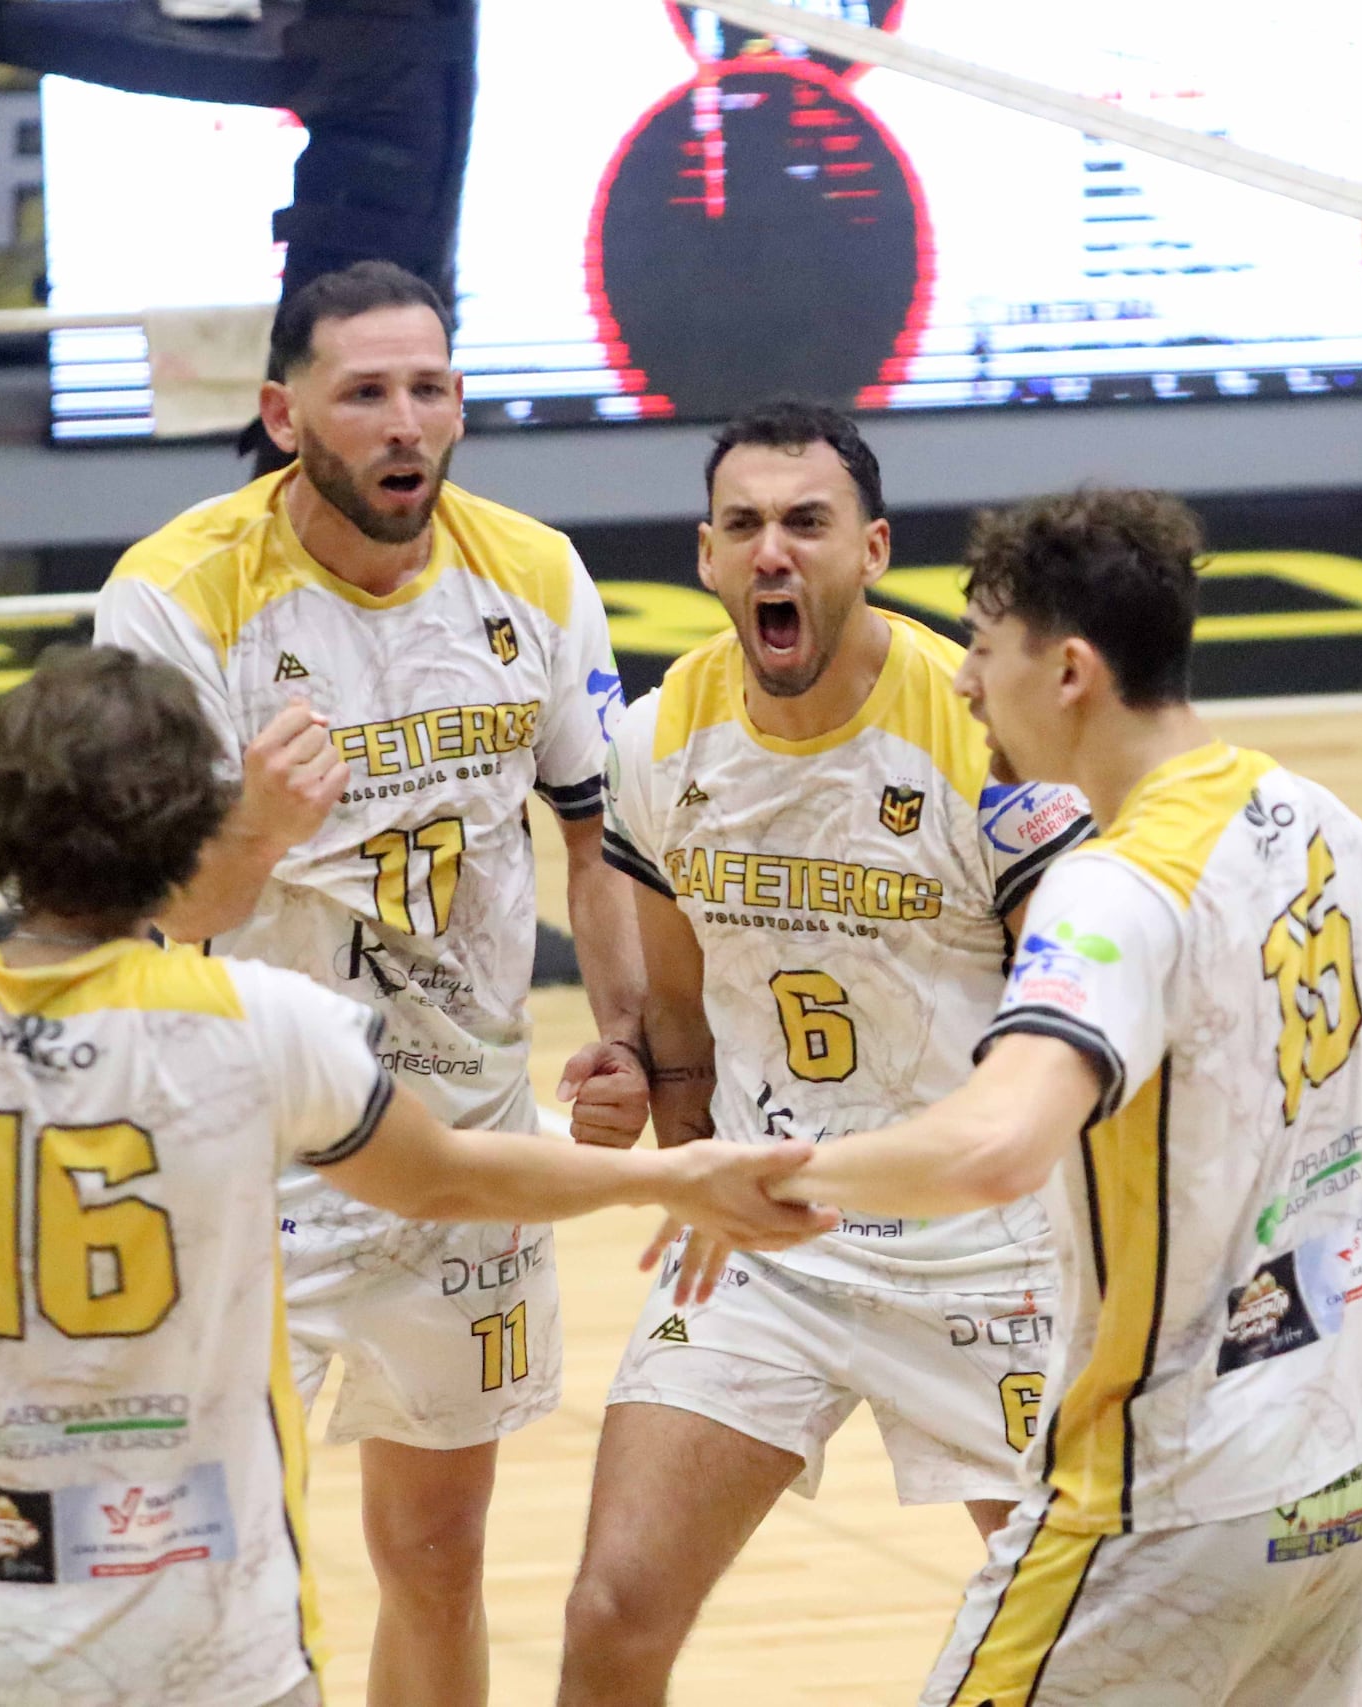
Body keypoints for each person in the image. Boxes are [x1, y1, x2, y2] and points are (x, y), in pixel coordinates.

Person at [0, 646, 830, 1707]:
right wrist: (670, 1177)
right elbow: (454, 1180)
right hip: (211, 1645)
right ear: (181, 837)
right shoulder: (259, 1024)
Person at [732, 488, 1362, 1705]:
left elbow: (996, 1148)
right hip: (1330, 1473)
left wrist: (757, 1175)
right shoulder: (1315, 820)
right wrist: (1361, 1342)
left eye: (982, 648)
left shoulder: (1113, 889)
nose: (965, 683)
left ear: (1070, 670)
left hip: (1162, 1497)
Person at [92, 260, 647, 1706]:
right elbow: (160, 924)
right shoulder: (173, 598)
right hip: (245, 1148)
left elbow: (598, 845)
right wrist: (261, 827)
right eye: (366, 393)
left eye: (430, 387)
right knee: (207, 1561)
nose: (407, 423)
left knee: (438, 1555)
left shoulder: (530, 573)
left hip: (463, 1140)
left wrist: (634, 1037)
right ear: (285, 415)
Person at [557, 402, 1095, 1705]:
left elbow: (1085, 1031)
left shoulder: (989, 740)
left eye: (806, 523)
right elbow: (677, 1022)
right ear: (704, 555)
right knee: (612, 1607)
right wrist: (656, 1116)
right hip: (772, 1239)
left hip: (992, 1239)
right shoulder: (659, 741)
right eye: (743, 526)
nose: (773, 552)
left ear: (874, 549)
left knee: (1079, 1646)